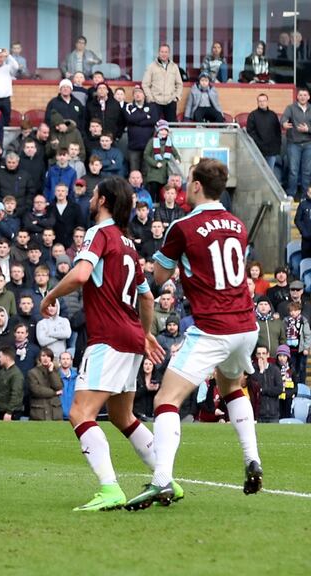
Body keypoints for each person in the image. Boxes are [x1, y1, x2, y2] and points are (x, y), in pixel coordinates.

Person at [125, 158, 263, 510]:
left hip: (213, 327)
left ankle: (161, 481)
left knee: (165, 400)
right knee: (231, 386)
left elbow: (156, 278)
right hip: (246, 324)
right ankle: (252, 458)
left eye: (188, 180)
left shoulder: (183, 226)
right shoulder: (237, 224)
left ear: (198, 185)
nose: (185, 186)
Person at [40, 176, 167, 511]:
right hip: (131, 338)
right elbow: (148, 297)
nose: (90, 199)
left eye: (94, 194)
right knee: (123, 416)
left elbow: (81, 275)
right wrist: (145, 332)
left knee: (80, 411)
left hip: (108, 338)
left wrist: (51, 294)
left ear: (105, 201)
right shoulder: (128, 243)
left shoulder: (100, 233)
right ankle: (164, 478)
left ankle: (110, 488)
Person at [141, 44, 184, 122]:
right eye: (162, 52)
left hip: (170, 100)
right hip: (155, 101)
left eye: (166, 52)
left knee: (172, 126)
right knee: (153, 124)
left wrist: (176, 97)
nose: (164, 54)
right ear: (158, 53)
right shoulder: (151, 67)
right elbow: (145, 84)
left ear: (169, 53)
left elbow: (179, 84)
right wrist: (150, 98)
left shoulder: (174, 66)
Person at [282, 87, 311, 198]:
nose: (303, 97)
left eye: (305, 95)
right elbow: (284, 118)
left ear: (308, 97)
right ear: (297, 96)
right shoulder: (290, 108)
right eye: (300, 95)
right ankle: (291, 194)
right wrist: (284, 123)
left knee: (307, 172)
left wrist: (307, 129)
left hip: (308, 144)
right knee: (293, 170)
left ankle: (305, 196)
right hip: (294, 144)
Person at [247, 93, 283, 176]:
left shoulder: (273, 115)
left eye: (264, 101)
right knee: (258, 173)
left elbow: (278, 132)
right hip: (258, 151)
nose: (262, 103)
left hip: (272, 151)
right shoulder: (252, 115)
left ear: (267, 102)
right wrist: (260, 144)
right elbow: (251, 133)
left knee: (270, 174)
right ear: (257, 102)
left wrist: (277, 146)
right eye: (260, 101)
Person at [249, 345, 284, 423]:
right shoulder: (252, 370)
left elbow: (279, 389)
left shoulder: (275, 369)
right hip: (258, 414)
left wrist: (263, 390)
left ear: (268, 355)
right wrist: (261, 371)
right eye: (259, 353)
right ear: (256, 355)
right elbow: (255, 389)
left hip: (273, 413)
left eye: (263, 353)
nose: (261, 356)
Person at [27, 348, 63, 421]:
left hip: (54, 411)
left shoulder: (56, 371)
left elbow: (58, 386)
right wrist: (54, 393)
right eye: (43, 356)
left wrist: (51, 372)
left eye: (48, 356)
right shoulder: (32, 372)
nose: (45, 358)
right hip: (39, 411)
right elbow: (36, 390)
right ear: (39, 358)